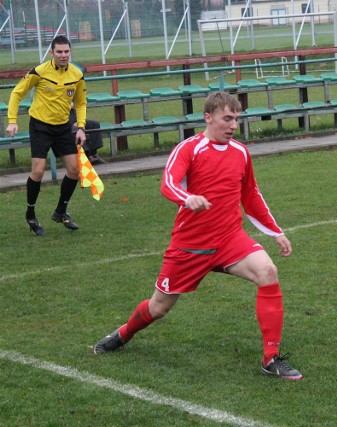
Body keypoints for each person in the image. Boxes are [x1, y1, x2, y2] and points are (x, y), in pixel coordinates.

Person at [93, 92, 303, 380]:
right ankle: (124, 333)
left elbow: (250, 195)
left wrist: (275, 231)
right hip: (190, 245)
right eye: (226, 119)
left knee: (268, 271)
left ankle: (271, 358)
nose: (232, 125)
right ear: (208, 117)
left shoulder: (241, 152)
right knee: (158, 307)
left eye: (236, 119)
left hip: (230, 239)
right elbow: (168, 183)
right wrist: (187, 198)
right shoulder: (189, 149)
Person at [5, 35, 87, 236]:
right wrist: (12, 121)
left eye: (66, 51)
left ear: (70, 52)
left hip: (62, 128)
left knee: (75, 170)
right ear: (52, 53)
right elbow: (17, 93)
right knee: (39, 171)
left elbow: (82, 102)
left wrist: (81, 127)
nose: (63, 55)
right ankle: (31, 214)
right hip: (40, 127)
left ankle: (60, 211)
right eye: (59, 52)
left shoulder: (77, 74)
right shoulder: (39, 71)